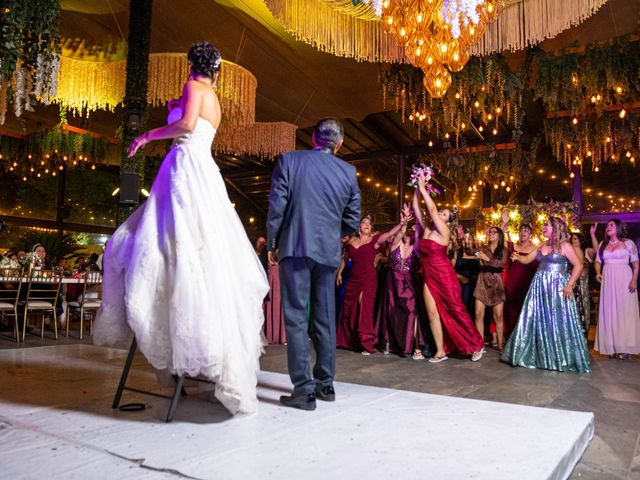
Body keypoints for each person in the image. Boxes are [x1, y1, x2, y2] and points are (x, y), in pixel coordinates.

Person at [94, 42, 269, 415]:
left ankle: (171, 342)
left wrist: (145, 136)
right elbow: (199, 124)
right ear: (217, 71)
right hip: (204, 173)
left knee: (164, 243)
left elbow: (187, 125)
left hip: (184, 169)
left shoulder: (194, 88)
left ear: (192, 66)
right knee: (198, 249)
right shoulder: (215, 99)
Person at [267, 117, 360, 411]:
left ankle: (304, 390)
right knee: (324, 319)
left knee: (296, 319)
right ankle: (326, 384)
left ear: (312, 139)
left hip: (294, 246)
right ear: (340, 144)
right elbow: (352, 218)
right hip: (328, 252)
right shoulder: (348, 172)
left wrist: (272, 242)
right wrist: (337, 234)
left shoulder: (289, 161)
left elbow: (276, 206)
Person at [502, 217, 590, 373]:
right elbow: (527, 259)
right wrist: (518, 258)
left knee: (556, 320)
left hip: (557, 287)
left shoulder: (565, 246)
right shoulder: (542, 244)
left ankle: (560, 358)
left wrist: (569, 284)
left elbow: (578, 265)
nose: (543, 227)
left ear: (555, 228)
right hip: (539, 286)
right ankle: (539, 356)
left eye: (546, 225)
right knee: (537, 319)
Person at [414, 175, 484, 363]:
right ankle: (440, 351)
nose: (440, 215)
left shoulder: (444, 232)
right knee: (432, 313)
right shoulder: (427, 230)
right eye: (441, 213)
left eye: (445, 215)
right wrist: (415, 187)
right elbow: (418, 211)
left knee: (456, 309)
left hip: (444, 274)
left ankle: (476, 344)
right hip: (429, 275)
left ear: (448, 221)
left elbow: (431, 209)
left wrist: (423, 188)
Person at [336, 215, 408, 354]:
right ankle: (349, 340)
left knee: (365, 309)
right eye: (364, 222)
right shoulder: (351, 241)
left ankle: (366, 342)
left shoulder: (374, 240)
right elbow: (345, 258)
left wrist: (401, 223)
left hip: (368, 279)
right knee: (349, 310)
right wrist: (340, 272)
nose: (367, 225)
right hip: (352, 280)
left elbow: (388, 234)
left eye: (369, 223)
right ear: (359, 227)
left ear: (371, 229)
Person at [376, 205, 425, 358]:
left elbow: (419, 234)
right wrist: (404, 222)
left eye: (411, 231)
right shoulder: (395, 245)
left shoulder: (415, 248)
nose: (409, 233)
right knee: (391, 312)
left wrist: (418, 218)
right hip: (393, 284)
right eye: (407, 231)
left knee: (411, 312)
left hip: (409, 284)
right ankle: (391, 344)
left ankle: (412, 346)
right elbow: (401, 233)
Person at [590, 220, 640, 359]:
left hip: (624, 280)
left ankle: (625, 348)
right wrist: (598, 272)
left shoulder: (628, 243)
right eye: (607, 226)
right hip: (608, 281)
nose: (608, 227)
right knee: (609, 311)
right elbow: (597, 261)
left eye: (611, 225)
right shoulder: (603, 245)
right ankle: (610, 346)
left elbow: (635, 262)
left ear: (618, 228)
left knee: (624, 311)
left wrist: (634, 279)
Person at [473, 226, 509, 352]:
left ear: (499, 235)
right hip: (482, 281)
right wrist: (471, 249)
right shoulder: (482, 248)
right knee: (478, 314)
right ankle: (480, 345)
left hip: (496, 283)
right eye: (490, 232)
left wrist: (487, 258)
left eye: (494, 232)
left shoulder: (504, 250)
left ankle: (500, 345)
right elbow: (473, 253)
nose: (491, 234)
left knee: (498, 316)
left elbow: (500, 265)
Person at [503, 223, 539, 339]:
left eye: (526, 231)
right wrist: (504, 225)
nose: (523, 232)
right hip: (513, 282)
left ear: (530, 234)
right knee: (511, 310)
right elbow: (501, 241)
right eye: (522, 230)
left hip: (527, 282)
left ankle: (526, 339)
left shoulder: (535, 248)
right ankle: (512, 338)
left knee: (527, 310)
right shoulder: (513, 246)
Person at [570, 232, 593, 336]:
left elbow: (597, 251)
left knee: (584, 305)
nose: (573, 241)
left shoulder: (586, 251)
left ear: (580, 240)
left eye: (575, 239)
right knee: (576, 306)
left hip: (583, 282)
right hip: (575, 282)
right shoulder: (570, 252)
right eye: (572, 239)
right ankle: (576, 332)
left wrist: (592, 234)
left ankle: (583, 331)